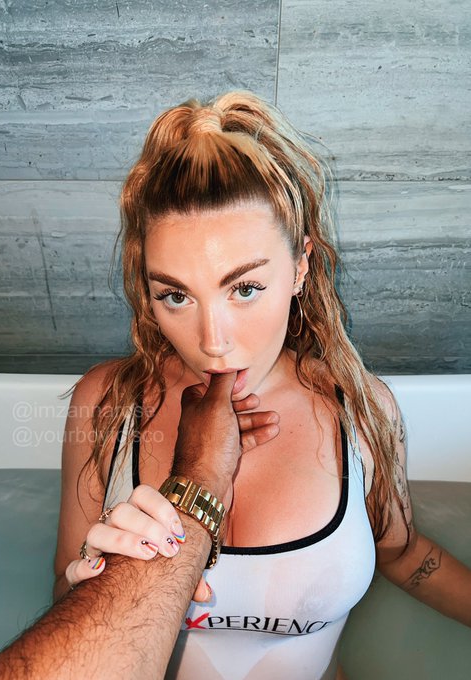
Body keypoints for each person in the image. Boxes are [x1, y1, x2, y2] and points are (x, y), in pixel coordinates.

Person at [54, 90, 471, 680]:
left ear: (300, 267)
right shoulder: (107, 406)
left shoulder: (359, 408)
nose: (213, 341)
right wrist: (92, 586)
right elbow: (63, 589)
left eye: (244, 288)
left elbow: (403, 554)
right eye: (175, 295)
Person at [0, 371, 274, 679]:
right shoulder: (107, 397)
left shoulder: (320, 396)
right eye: (178, 317)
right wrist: (89, 580)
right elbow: (63, 586)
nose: (215, 345)